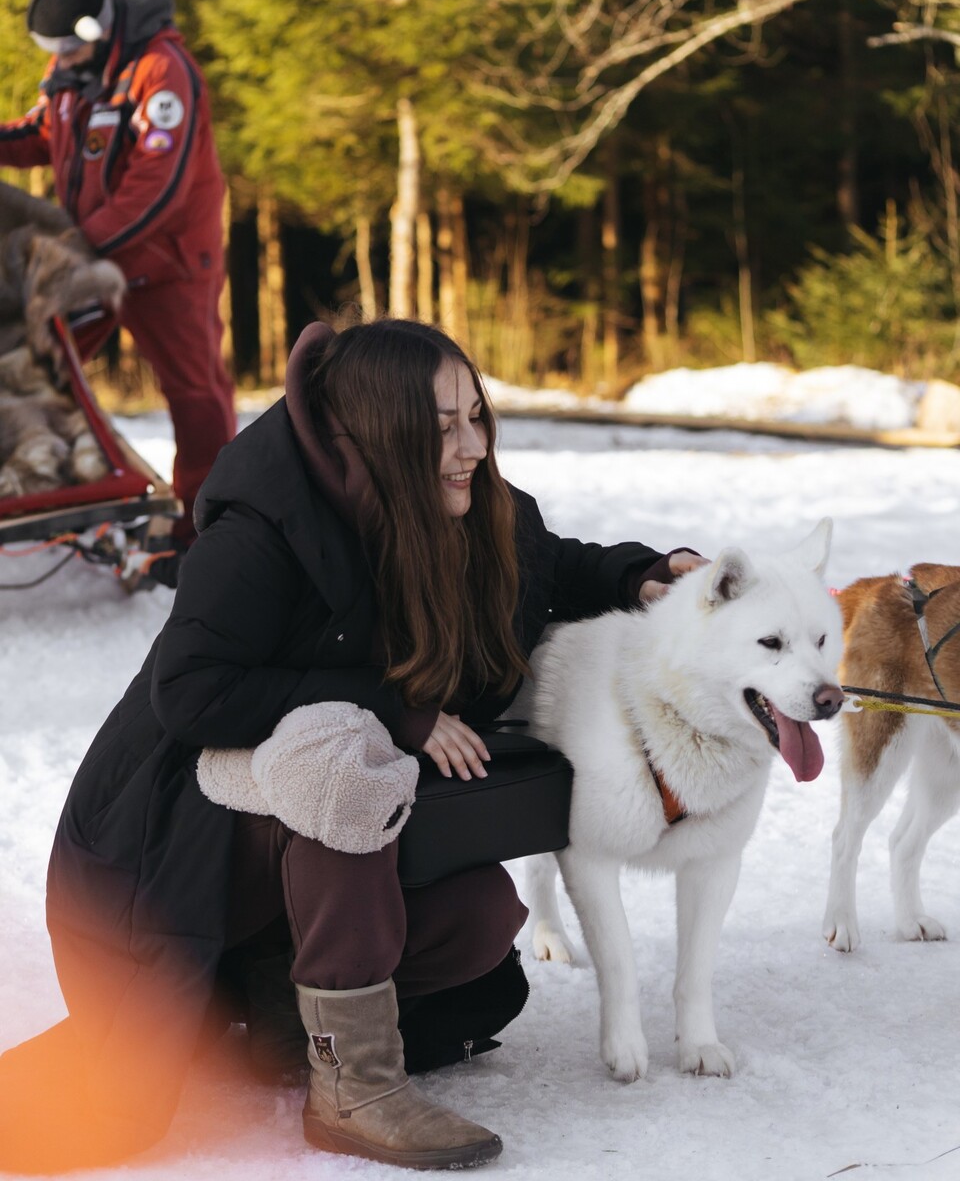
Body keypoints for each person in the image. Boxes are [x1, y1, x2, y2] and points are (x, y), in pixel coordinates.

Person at [0, 318, 703, 1174]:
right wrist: (396, 714)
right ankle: (355, 1090)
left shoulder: (471, 507)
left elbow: (548, 563)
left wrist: (641, 573)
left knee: (478, 923)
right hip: (164, 847)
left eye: (476, 417)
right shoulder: (265, 528)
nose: (473, 446)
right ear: (377, 430)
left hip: (292, 853)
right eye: (441, 427)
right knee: (344, 763)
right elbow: (190, 691)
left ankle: (276, 1017)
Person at [0, 0, 236, 575]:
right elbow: (41, 131)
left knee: (194, 392)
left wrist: (79, 249)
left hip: (167, 264)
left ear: (97, 30)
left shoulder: (162, 73)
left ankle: (208, 530)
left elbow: (156, 190)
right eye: (53, 52)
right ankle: (49, 477)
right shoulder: (75, 68)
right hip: (93, 257)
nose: (60, 61)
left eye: (68, 49)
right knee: (37, 361)